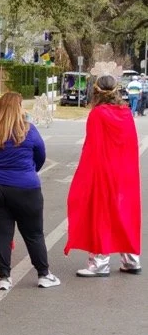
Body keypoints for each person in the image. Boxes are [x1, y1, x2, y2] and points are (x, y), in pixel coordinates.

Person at [0, 91, 60, 290]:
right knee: (33, 233)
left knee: (1, 233)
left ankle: (4, 277)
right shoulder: (28, 130)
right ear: (19, 108)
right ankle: (43, 273)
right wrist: (29, 171)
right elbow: (40, 155)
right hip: (24, 186)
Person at [65, 74, 141, 276]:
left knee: (101, 213)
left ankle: (100, 262)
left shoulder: (98, 114)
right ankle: (131, 259)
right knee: (126, 212)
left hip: (103, 170)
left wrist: (84, 174)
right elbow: (131, 144)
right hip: (125, 172)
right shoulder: (126, 113)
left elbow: (92, 147)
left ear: (96, 92)